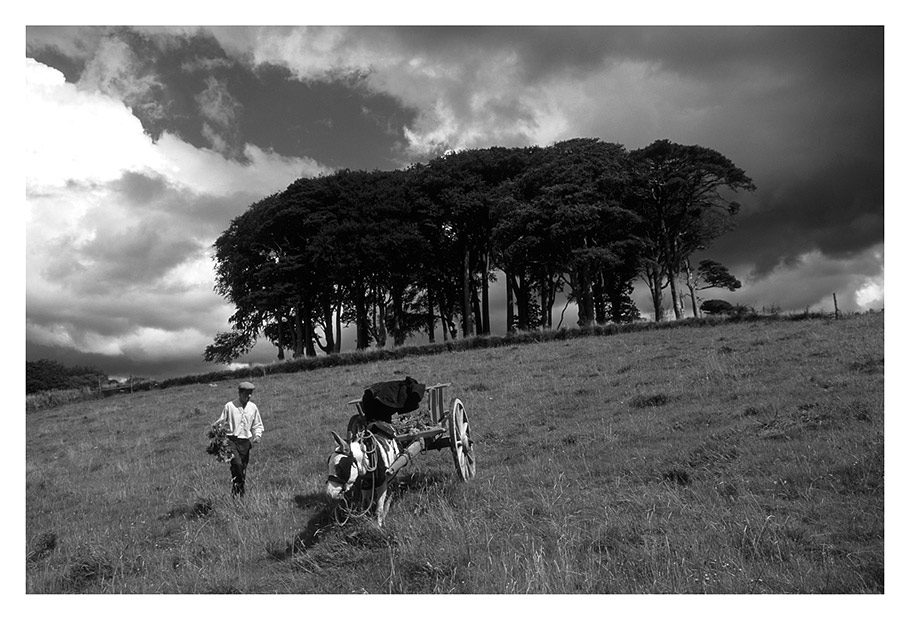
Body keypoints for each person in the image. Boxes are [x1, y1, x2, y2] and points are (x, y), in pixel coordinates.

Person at [212, 381, 264, 497]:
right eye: (247, 393)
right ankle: (239, 493)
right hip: (231, 441)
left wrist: (257, 435)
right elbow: (220, 423)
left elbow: (257, 425)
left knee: (242, 471)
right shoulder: (229, 406)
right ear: (240, 393)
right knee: (237, 465)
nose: (249, 396)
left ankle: (238, 495)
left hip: (245, 443)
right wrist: (216, 433)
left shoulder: (253, 407)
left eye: (251, 393)